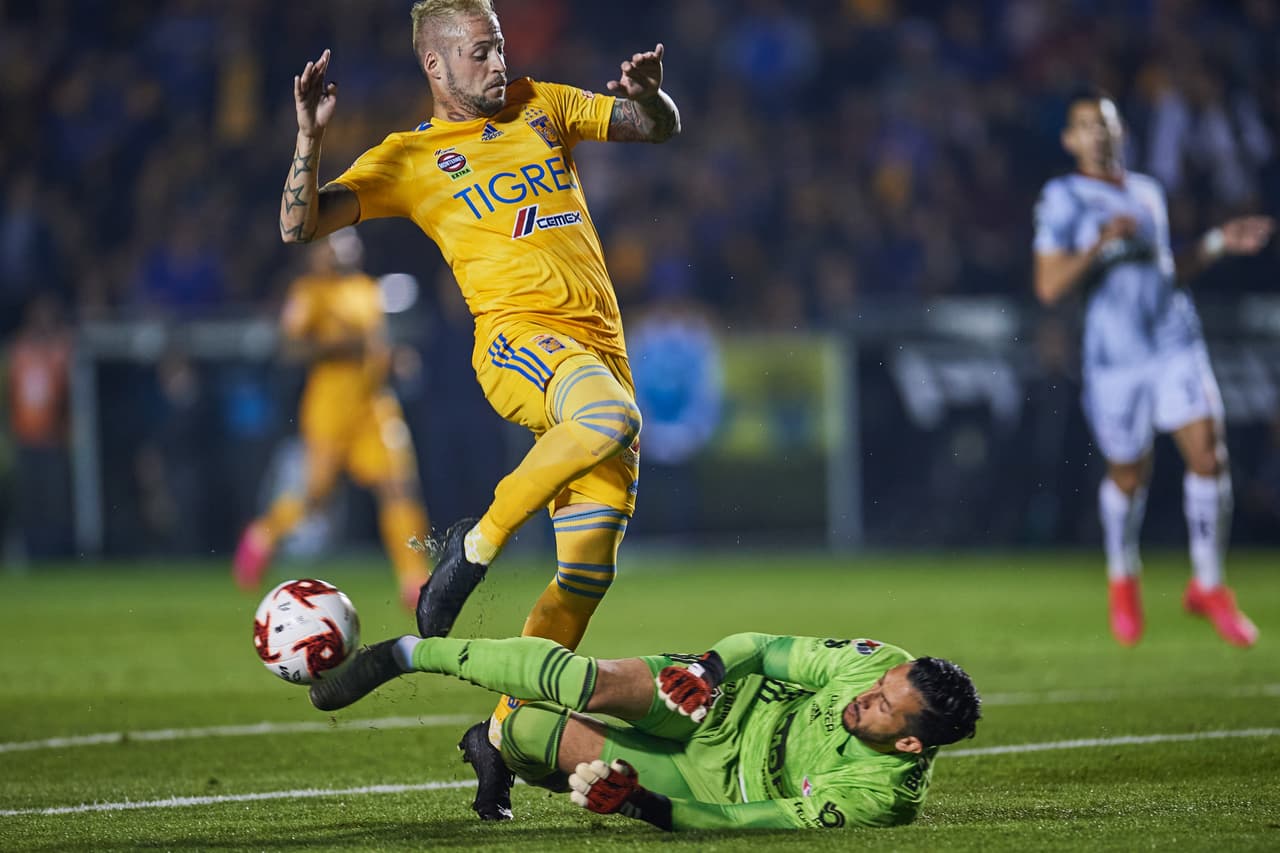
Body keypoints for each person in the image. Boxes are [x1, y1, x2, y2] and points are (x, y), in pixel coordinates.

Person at [276, 0, 680, 819]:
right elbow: (300, 225)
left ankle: (495, 739)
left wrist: (654, 95)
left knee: (581, 581)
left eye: (499, 48)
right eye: (480, 52)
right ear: (436, 65)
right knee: (612, 419)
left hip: (602, 353)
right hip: (518, 343)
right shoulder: (411, 158)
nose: (498, 64)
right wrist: (311, 138)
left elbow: (653, 128)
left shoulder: (544, 104)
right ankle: (475, 543)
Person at [307, 625, 981, 831]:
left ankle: (493, 744)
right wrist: (713, 669)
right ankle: (406, 652)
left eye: (883, 707)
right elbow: (769, 647)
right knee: (583, 680)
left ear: (911, 743)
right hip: (712, 702)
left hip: (708, 781)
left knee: (529, 730)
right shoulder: (883, 667)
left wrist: (640, 803)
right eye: (877, 686)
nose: (866, 696)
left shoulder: (880, 796)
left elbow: (747, 822)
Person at [1032, 90, 1274, 648]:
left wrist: (1215, 242)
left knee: (1209, 452)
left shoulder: (1147, 191)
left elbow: (1167, 272)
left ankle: (1209, 585)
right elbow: (1049, 286)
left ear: (1122, 132)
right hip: (1115, 359)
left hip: (1172, 340)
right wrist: (1097, 243)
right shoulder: (1065, 197)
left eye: (1107, 123)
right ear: (1071, 140)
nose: (1099, 133)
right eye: (1087, 126)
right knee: (1128, 474)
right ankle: (1123, 576)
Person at [233, 229, 432, 610]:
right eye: (337, 241)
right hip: (330, 410)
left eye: (351, 239)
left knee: (399, 486)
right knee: (317, 497)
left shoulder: (368, 289)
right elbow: (290, 347)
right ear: (320, 252)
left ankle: (415, 579)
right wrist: (340, 345)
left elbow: (374, 347)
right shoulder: (310, 293)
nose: (348, 246)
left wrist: (394, 359)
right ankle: (264, 533)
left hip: (373, 405)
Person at [5, 293, 74, 559]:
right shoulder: (18, 353)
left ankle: (56, 554)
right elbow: (9, 396)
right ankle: (31, 553)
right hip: (25, 438)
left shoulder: (59, 352)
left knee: (54, 502)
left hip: (53, 439)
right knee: (29, 502)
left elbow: (70, 395)